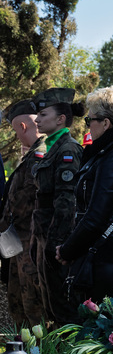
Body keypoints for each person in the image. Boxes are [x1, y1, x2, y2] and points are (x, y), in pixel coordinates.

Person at [57, 86, 113, 306]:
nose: (87, 125)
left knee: (101, 334)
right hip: (106, 253)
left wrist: (68, 250)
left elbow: (96, 216)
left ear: (105, 123)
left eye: (90, 120)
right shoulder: (110, 154)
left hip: (110, 257)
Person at [29, 88, 84, 323]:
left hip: (56, 242)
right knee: (51, 306)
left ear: (61, 119)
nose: (37, 120)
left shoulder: (67, 149)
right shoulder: (52, 147)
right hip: (45, 237)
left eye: (43, 114)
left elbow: (66, 201)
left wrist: (55, 244)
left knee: (63, 309)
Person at [3, 100, 44, 326]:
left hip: (31, 246)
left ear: (22, 127)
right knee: (18, 304)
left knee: (33, 309)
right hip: (18, 245)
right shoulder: (30, 156)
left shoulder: (41, 156)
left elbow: (24, 205)